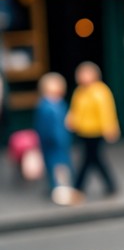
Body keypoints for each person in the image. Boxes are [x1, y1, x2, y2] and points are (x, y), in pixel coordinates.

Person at [66, 61, 119, 197]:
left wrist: (110, 128)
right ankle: (110, 185)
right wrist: (72, 119)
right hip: (83, 131)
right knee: (94, 159)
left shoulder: (100, 91)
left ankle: (78, 186)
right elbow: (75, 109)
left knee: (89, 159)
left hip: (96, 131)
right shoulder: (80, 91)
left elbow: (106, 111)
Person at [33, 72, 76, 203]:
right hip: (53, 142)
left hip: (61, 142)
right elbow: (46, 127)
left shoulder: (59, 104)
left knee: (61, 166)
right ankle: (59, 191)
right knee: (57, 167)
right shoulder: (46, 107)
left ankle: (61, 189)